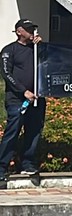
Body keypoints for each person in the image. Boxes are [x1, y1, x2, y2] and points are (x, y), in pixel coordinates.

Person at [0, 19, 44, 188]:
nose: (32, 32)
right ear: (19, 31)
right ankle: (2, 168)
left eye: (33, 29)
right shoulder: (9, 51)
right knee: (12, 133)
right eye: (28, 30)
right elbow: (6, 73)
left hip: (37, 99)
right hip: (17, 100)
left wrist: (41, 47)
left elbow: (52, 63)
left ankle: (28, 164)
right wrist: (22, 91)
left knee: (34, 132)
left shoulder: (37, 49)